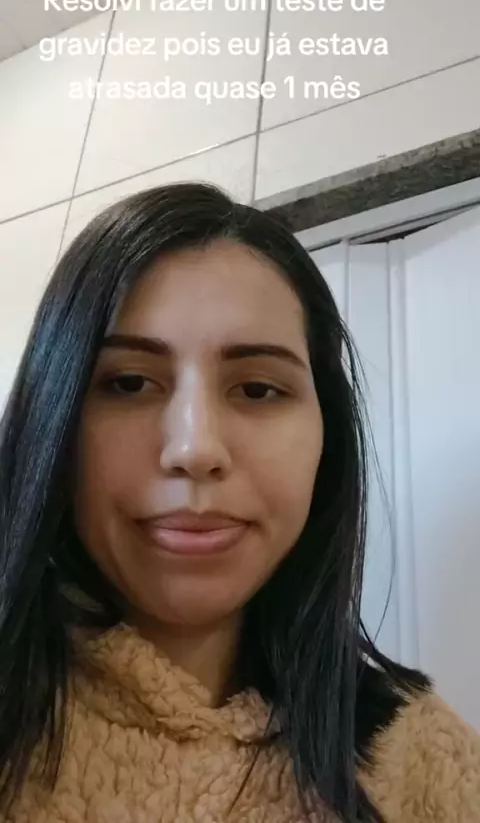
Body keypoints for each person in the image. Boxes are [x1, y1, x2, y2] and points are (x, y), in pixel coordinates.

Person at [0, 182, 478, 823]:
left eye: (256, 389)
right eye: (129, 383)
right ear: (50, 421)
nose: (195, 448)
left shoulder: (420, 757)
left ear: (327, 439)